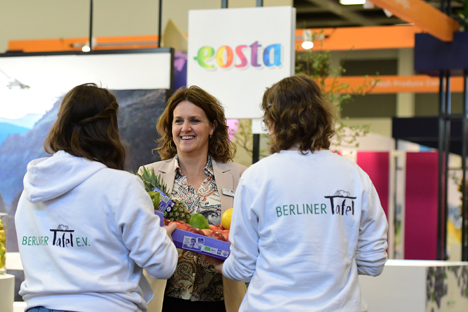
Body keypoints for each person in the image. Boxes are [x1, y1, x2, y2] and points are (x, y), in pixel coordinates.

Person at [211, 74, 389, 311]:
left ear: (272, 121)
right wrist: (332, 262)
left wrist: (220, 266)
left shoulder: (257, 177)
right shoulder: (355, 177)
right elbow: (374, 262)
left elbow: (243, 267)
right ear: (322, 116)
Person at [15, 83, 179, 312]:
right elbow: (161, 265)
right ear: (109, 127)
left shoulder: (30, 190)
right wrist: (164, 238)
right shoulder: (122, 186)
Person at [139, 85, 247, 312]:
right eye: (178, 121)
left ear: (212, 127)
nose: (185, 128)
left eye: (195, 120)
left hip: (222, 300)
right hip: (163, 299)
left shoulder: (240, 176)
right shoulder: (148, 176)